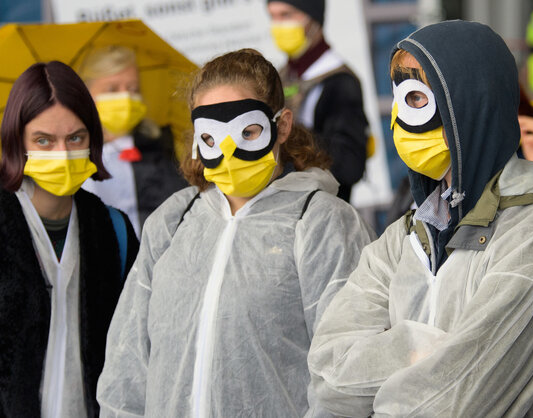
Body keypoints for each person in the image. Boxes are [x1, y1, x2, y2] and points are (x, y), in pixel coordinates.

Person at [308, 21, 533, 417]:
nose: (397, 120)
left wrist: (385, 360)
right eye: (397, 100)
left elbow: (455, 402)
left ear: (469, 105)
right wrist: (416, 346)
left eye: (414, 100)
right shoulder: (404, 238)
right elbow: (326, 379)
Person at [96, 49, 375, 417]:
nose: (229, 152)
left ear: (283, 126)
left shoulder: (323, 224)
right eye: (210, 138)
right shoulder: (173, 221)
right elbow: (127, 364)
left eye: (248, 132)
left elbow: (346, 377)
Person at [0, 61, 138, 417]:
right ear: (17, 140)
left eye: (75, 138)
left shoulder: (114, 230)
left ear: (93, 136)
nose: (62, 154)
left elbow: (133, 350)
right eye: (43, 140)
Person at [78, 45, 188, 234]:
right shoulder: (70, 151)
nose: (125, 97)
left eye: (133, 88)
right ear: (85, 93)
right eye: (112, 89)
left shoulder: (160, 145)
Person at [267, 0, 368, 202]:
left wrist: (290, 136)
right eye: (273, 16)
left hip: (325, 212)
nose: (278, 25)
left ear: (313, 19)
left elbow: (349, 166)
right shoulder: (281, 76)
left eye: (286, 15)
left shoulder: (340, 82)